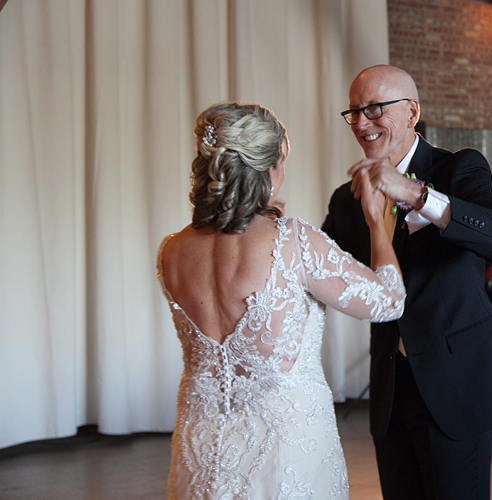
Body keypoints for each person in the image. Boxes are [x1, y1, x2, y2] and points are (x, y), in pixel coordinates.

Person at [156, 101, 406, 499]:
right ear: (270, 170)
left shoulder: (172, 250)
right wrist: (376, 220)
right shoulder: (291, 240)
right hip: (285, 451)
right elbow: (389, 301)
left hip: (202, 448)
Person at [321, 65, 492, 500]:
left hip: (456, 380)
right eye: (354, 112)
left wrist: (417, 195)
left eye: (375, 109)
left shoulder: (459, 168)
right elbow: (321, 267)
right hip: (391, 385)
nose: (362, 123)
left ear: (412, 111)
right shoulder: (348, 198)